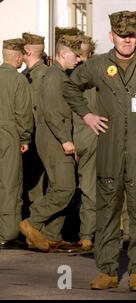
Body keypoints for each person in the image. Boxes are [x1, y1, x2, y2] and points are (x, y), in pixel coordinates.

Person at [63, 11, 136, 291]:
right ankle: (107, 270)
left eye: (131, 35)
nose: (126, 40)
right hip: (109, 148)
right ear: (111, 36)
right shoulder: (99, 65)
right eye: (121, 35)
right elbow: (70, 87)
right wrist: (87, 115)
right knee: (107, 210)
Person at [19, 35, 82, 252]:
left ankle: (50, 236)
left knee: (57, 187)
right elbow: (52, 113)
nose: (79, 59)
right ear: (64, 53)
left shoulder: (58, 75)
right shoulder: (54, 76)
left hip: (54, 137)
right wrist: (66, 140)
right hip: (55, 138)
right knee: (65, 188)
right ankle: (32, 224)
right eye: (76, 55)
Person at [0, 38, 33, 249]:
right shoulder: (19, 80)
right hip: (7, 134)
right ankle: (8, 234)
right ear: (19, 57)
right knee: (10, 184)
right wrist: (25, 138)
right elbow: (23, 114)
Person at [72, 35, 98, 251]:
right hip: (96, 136)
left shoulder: (69, 76)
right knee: (95, 188)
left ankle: (85, 234)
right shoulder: (102, 74)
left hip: (78, 137)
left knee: (86, 188)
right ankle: (89, 234)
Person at [21, 32, 48, 212]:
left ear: (28, 51)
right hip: (37, 138)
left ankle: (36, 228)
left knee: (36, 186)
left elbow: (36, 110)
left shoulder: (38, 77)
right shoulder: (30, 74)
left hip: (36, 139)